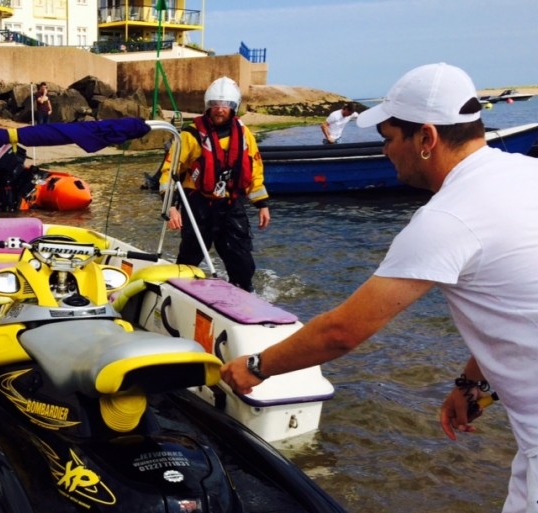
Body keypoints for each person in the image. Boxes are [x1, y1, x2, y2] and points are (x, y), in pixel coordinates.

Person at [220, 63, 538, 513]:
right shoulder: (526, 174)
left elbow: (343, 331)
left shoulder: (448, 217)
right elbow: (515, 304)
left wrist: (256, 365)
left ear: (426, 139)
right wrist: (473, 383)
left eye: (390, 138)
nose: (385, 150)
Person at [159, 76, 270, 292]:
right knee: (189, 258)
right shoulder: (190, 136)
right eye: (215, 105)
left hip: (230, 204)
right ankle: (179, 293)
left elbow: (255, 169)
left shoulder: (244, 135)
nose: (220, 109)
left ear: (234, 107)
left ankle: (243, 294)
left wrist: (262, 204)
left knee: (243, 263)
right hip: (199, 205)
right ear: (207, 107)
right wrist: (172, 208)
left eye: (226, 105)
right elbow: (169, 173)